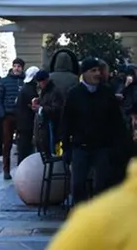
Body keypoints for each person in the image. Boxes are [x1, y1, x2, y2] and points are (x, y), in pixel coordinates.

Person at [62, 57, 128, 204]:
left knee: (102, 186)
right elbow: (66, 122)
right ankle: (80, 217)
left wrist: (119, 146)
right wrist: (66, 147)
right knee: (78, 185)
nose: (97, 73)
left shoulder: (106, 92)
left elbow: (116, 121)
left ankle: (100, 217)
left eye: (98, 70)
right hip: (81, 147)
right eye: (93, 70)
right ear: (84, 73)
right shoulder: (74, 93)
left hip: (102, 147)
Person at [47, 158, 137, 249]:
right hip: (82, 149)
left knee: (96, 184)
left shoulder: (93, 222)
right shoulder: (95, 223)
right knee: (79, 185)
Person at [0, 58, 26, 180]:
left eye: (19, 66)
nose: (16, 68)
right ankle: (6, 169)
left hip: (21, 116)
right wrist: (2, 114)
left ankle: (22, 169)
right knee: (7, 144)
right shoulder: (4, 81)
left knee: (22, 143)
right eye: (15, 66)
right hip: (8, 116)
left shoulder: (25, 82)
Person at [32, 70, 65, 156]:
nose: (39, 84)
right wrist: (38, 101)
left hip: (51, 129)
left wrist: (40, 109)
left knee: (50, 153)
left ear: (46, 80)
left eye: (41, 82)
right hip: (44, 129)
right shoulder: (46, 90)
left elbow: (56, 110)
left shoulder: (54, 92)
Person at [15, 67, 41, 164]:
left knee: (24, 148)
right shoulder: (30, 90)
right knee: (25, 149)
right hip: (27, 123)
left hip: (22, 123)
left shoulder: (25, 88)